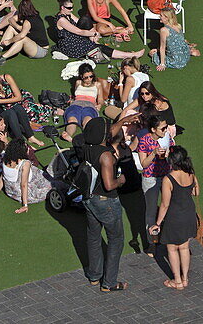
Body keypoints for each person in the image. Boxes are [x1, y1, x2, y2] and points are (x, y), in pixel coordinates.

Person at [79, 117, 128, 291]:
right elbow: (109, 185)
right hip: (106, 202)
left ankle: (94, 275)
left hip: (89, 198)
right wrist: (121, 180)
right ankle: (109, 282)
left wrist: (124, 120)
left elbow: (110, 131)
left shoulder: (86, 147)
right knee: (116, 240)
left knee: (93, 236)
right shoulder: (106, 156)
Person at [149, 146, 199, 289]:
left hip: (174, 217)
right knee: (184, 247)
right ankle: (185, 279)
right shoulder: (191, 173)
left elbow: (164, 204)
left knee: (172, 249)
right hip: (189, 213)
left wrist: (157, 223)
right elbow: (196, 192)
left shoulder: (168, 179)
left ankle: (177, 281)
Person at [54, 0, 146, 63]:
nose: (72, 10)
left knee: (86, 18)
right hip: (70, 45)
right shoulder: (62, 19)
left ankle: (93, 42)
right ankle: (129, 55)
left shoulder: (67, 14)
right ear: (62, 7)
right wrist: (94, 33)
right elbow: (79, 31)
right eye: (69, 8)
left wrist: (92, 31)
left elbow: (80, 22)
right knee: (99, 47)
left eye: (72, 7)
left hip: (75, 38)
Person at [0, 0, 49, 67]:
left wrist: (9, 41)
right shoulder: (32, 14)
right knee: (11, 27)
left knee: (22, 39)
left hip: (40, 50)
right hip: (32, 43)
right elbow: (11, 19)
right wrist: (18, 27)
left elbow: (21, 36)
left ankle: (2, 59)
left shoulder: (28, 22)